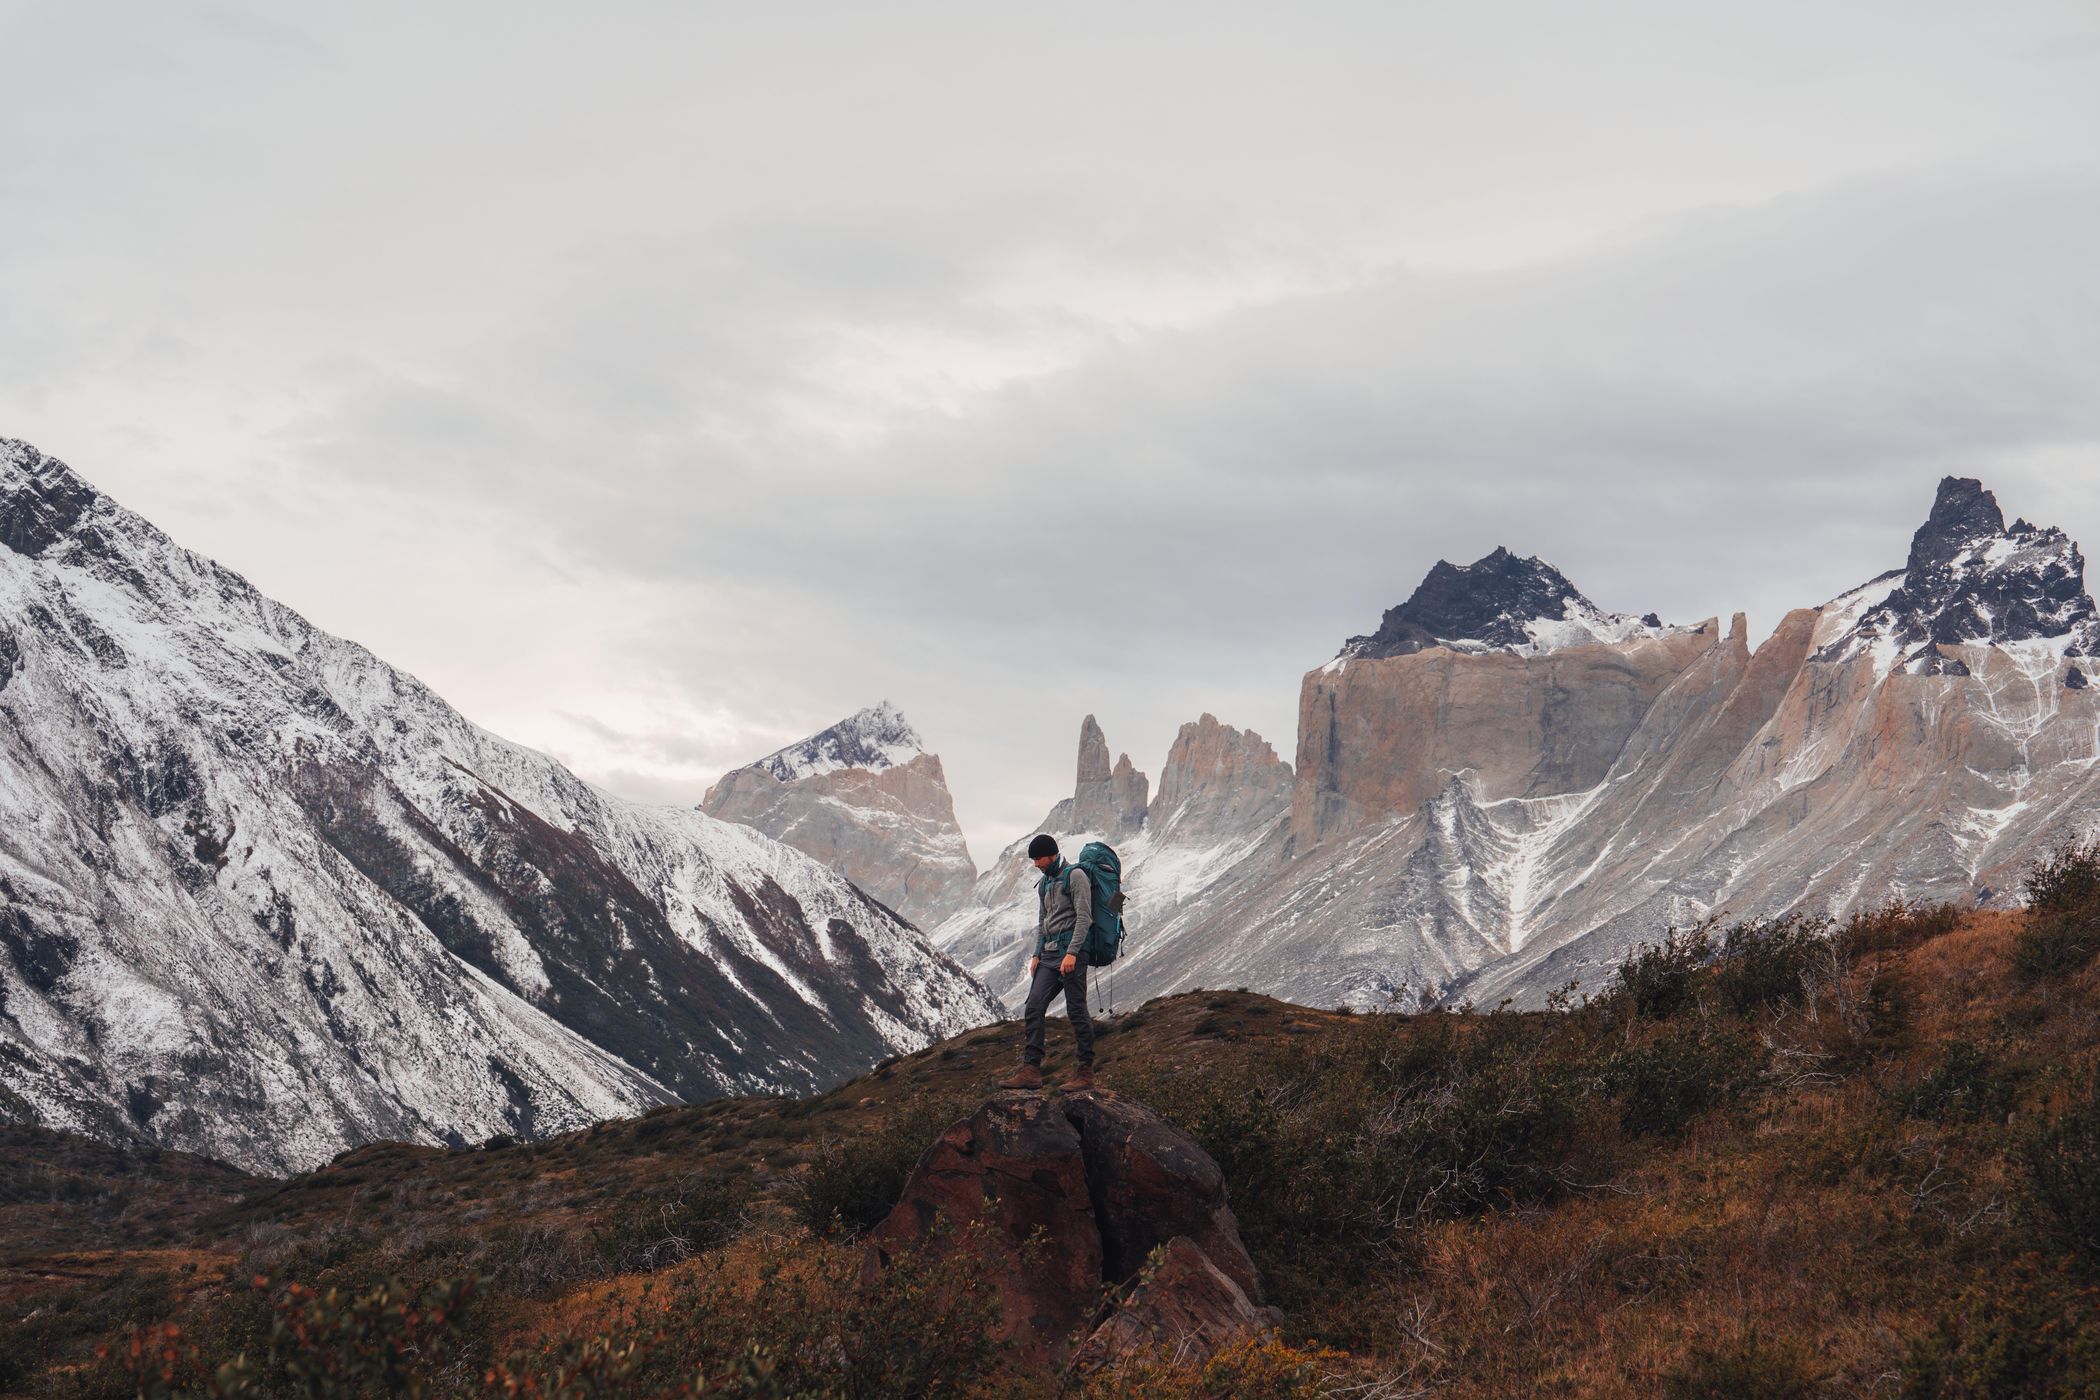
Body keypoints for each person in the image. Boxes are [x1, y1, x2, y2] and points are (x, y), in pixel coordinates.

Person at [999, 834, 1096, 1090]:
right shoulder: (1044, 884)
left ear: (1052, 854)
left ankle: (1085, 1072)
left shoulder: (1075, 877)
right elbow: (1043, 922)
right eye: (1033, 860)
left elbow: (1084, 918)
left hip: (1072, 953)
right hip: (1050, 954)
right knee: (1033, 1007)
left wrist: (1073, 952)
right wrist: (1037, 954)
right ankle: (1031, 1071)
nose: (1036, 864)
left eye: (1038, 859)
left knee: (1076, 1010)